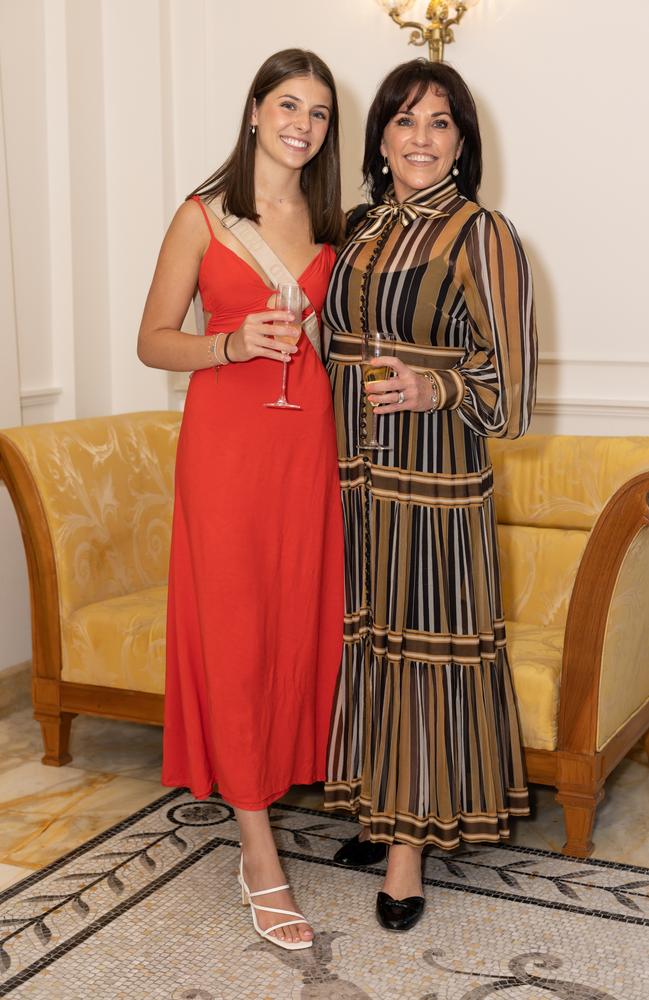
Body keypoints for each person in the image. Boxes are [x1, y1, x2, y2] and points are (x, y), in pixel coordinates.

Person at [323, 59, 537, 932]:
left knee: (420, 643)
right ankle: (384, 810)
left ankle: (408, 852)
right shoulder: (362, 230)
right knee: (372, 639)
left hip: (436, 487)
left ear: (462, 142)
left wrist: (433, 389)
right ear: (379, 136)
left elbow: (512, 397)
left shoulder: (482, 234)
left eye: (440, 122)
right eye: (405, 120)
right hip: (355, 479)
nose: (420, 137)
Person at [137, 49, 344, 952]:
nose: (304, 122)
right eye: (289, 104)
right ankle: (258, 850)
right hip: (225, 451)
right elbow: (151, 341)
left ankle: (291, 781)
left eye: (322, 112)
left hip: (308, 450)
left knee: (302, 621)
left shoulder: (337, 223)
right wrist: (228, 345)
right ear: (256, 110)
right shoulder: (203, 214)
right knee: (233, 628)